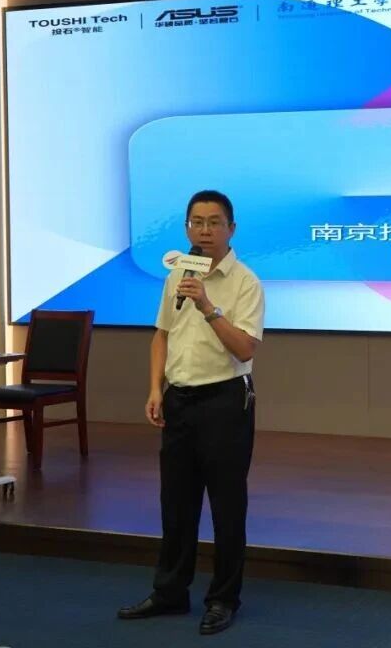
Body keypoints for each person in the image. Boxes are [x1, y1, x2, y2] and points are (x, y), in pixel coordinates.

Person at [118, 189, 265, 635]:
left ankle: (223, 599)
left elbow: (245, 347)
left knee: (226, 506)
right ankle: (170, 592)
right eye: (197, 222)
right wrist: (155, 388)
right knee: (176, 504)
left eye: (214, 222)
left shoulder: (246, 282)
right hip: (179, 400)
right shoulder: (177, 275)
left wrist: (207, 306)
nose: (205, 230)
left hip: (225, 401)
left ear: (231, 229)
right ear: (186, 228)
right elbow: (161, 335)